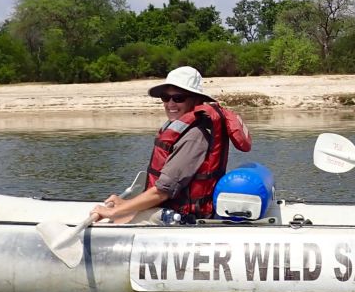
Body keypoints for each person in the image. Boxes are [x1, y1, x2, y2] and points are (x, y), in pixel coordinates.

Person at [91, 66, 251, 225]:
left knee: (119, 218)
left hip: (184, 216)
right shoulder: (184, 129)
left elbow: (162, 192)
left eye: (178, 98)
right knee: (124, 213)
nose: (170, 104)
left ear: (196, 100)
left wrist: (114, 212)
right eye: (165, 98)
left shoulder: (194, 137)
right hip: (167, 206)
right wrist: (125, 204)